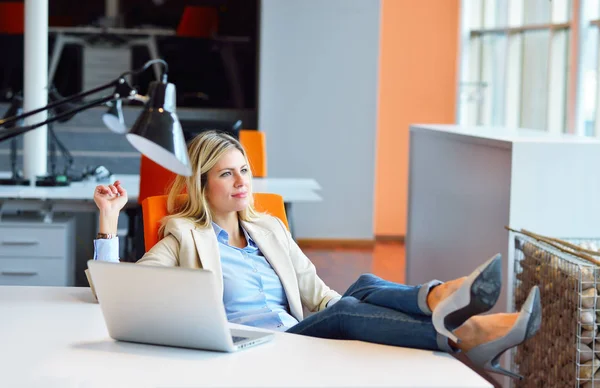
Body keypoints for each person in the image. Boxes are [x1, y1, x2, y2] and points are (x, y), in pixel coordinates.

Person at [92, 130, 541, 380]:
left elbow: (319, 296)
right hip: (251, 347)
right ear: (202, 185)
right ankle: (468, 329)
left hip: (296, 332)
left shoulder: (269, 227)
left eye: (244, 170)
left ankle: (442, 301)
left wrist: (369, 304)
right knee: (348, 310)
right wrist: (108, 219)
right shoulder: (183, 236)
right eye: (226, 174)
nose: (241, 181)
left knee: (361, 286)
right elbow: (118, 293)